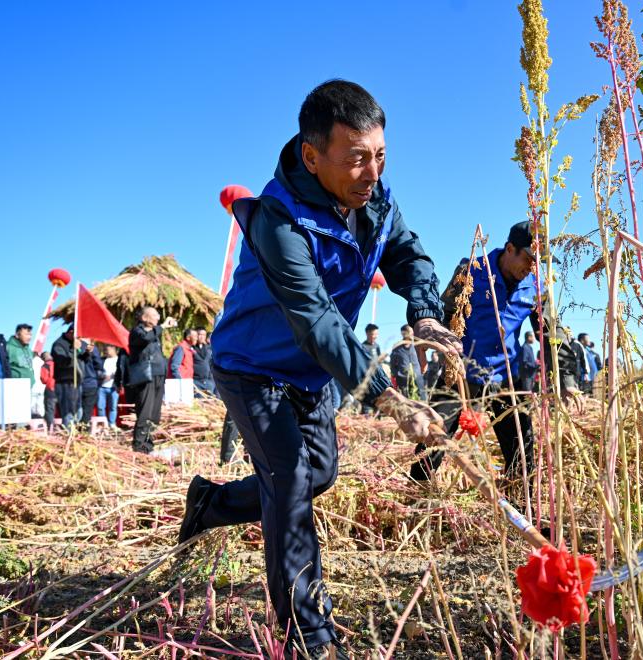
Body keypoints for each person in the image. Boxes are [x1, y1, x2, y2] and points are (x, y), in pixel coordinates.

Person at [175, 80, 461, 657]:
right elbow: (319, 322)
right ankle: (307, 632)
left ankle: (211, 504)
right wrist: (390, 397)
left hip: (311, 377)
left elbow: (409, 254)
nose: (372, 171)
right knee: (291, 480)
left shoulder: (375, 202)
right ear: (312, 156)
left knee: (320, 475)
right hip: (252, 368)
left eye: (380, 155)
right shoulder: (277, 220)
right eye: (356, 158)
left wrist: (427, 314)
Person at [410, 221, 539, 488]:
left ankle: (523, 505)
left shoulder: (536, 287)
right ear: (510, 248)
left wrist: (565, 380)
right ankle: (418, 494)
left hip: (505, 378)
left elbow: (550, 335)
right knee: (434, 434)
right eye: (528, 258)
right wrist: (443, 349)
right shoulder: (472, 270)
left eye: (538, 262)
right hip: (461, 371)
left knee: (522, 446)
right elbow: (444, 312)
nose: (531, 268)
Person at [128, 307, 171, 453]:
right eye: (154, 315)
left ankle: (148, 444)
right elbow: (145, 338)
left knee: (154, 414)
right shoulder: (137, 331)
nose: (158, 318)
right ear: (144, 317)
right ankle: (139, 445)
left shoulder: (154, 333)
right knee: (145, 411)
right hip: (146, 376)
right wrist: (163, 327)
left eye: (158, 315)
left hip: (158, 374)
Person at [51, 326, 84, 428]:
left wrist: (87, 352)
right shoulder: (58, 344)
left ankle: (74, 430)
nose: (79, 338)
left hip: (77, 381)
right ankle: (68, 432)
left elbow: (83, 359)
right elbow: (63, 361)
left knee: (78, 410)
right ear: (71, 332)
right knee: (68, 410)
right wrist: (73, 349)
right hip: (65, 381)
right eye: (77, 335)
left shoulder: (77, 343)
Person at [390, 324, 426, 400]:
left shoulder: (417, 345)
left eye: (412, 331)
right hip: (403, 381)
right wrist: (397, 374)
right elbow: (392, 365)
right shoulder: (397, 347)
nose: (412, 333)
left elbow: (423, 359)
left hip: (417, 379)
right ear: (403, 333)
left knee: (421, 401)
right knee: (406, 402)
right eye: (409, 331)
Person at [79, 339, 103, 421]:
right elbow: (99, 365)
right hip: (90, 383)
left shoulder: (72, 347)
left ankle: (78, 428)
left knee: (77, 409)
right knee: (87, 410)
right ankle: (83, 430)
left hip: (77, 383)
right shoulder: (92, 348)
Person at [98, 344, 122, 425]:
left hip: (113, 387)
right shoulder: (102, 360)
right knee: (100, 407)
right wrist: (103, 376)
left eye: (107, 350)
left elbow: (122, 372)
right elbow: (97, 371)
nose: (106, 352)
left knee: (113, 407)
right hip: (102, 387)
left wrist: (114, 376)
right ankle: (103, 424)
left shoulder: (119, 360)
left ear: (113, 349)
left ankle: (112, 424)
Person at [192, 327, 214, 395]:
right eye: (200, 334)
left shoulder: (209, 349)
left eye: (204, 335)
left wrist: (211, 381)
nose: (202, 337)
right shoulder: (191, 348)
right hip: (195, 382)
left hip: (208, 382)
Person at [40, 351, 57, 429]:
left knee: (50, 410)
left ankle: (50, 428)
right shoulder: (57, 363)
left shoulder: (45, 366)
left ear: (43, 358)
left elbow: (44, 379)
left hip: (50, 389)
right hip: (61, 389)